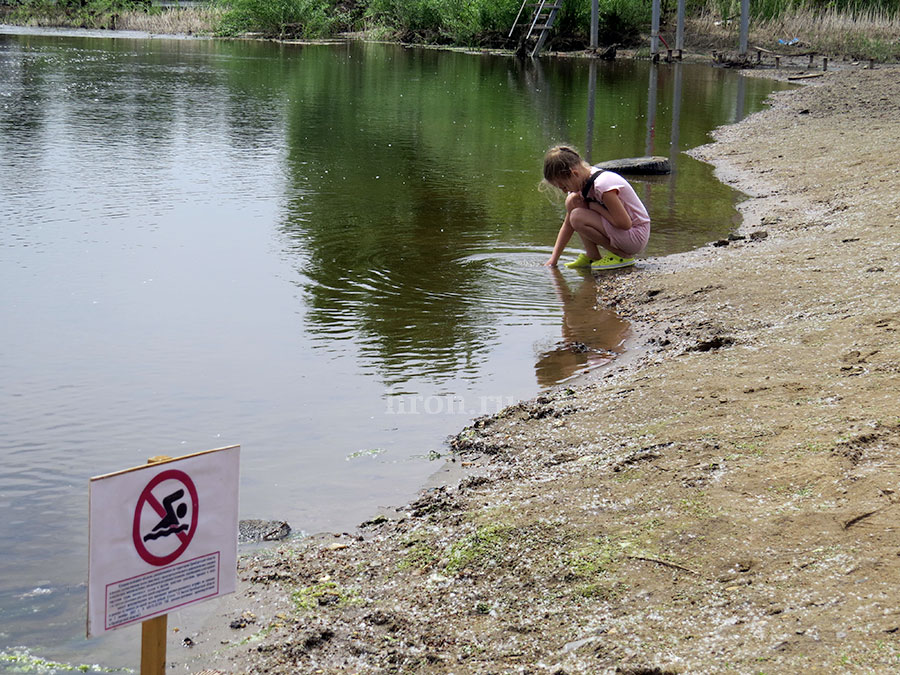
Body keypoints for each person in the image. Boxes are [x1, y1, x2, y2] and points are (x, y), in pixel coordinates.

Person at [542, 145, 651, 270]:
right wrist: (553, 260)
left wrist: (595, 207)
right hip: (625, 233)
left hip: (636, 235)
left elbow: (625, 223)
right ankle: (593, 256)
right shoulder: (581, 184)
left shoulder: (602, 185)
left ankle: (621, 256)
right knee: (572, 202)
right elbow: (568, 225)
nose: (563, 191)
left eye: (564, 187)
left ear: (574, 174)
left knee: (577, 216)